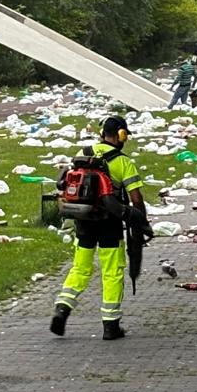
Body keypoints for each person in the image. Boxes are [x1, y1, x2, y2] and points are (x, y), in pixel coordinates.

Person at [51, 116, 149, 340]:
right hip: (110, 223)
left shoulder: (84, 152)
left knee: (80, 269)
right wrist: (140, 222)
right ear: (121, 134)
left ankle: (62, 309)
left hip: (83, 220)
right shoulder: (123, 161)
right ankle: (110, 325)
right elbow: (136, 197)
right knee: (112, 272)